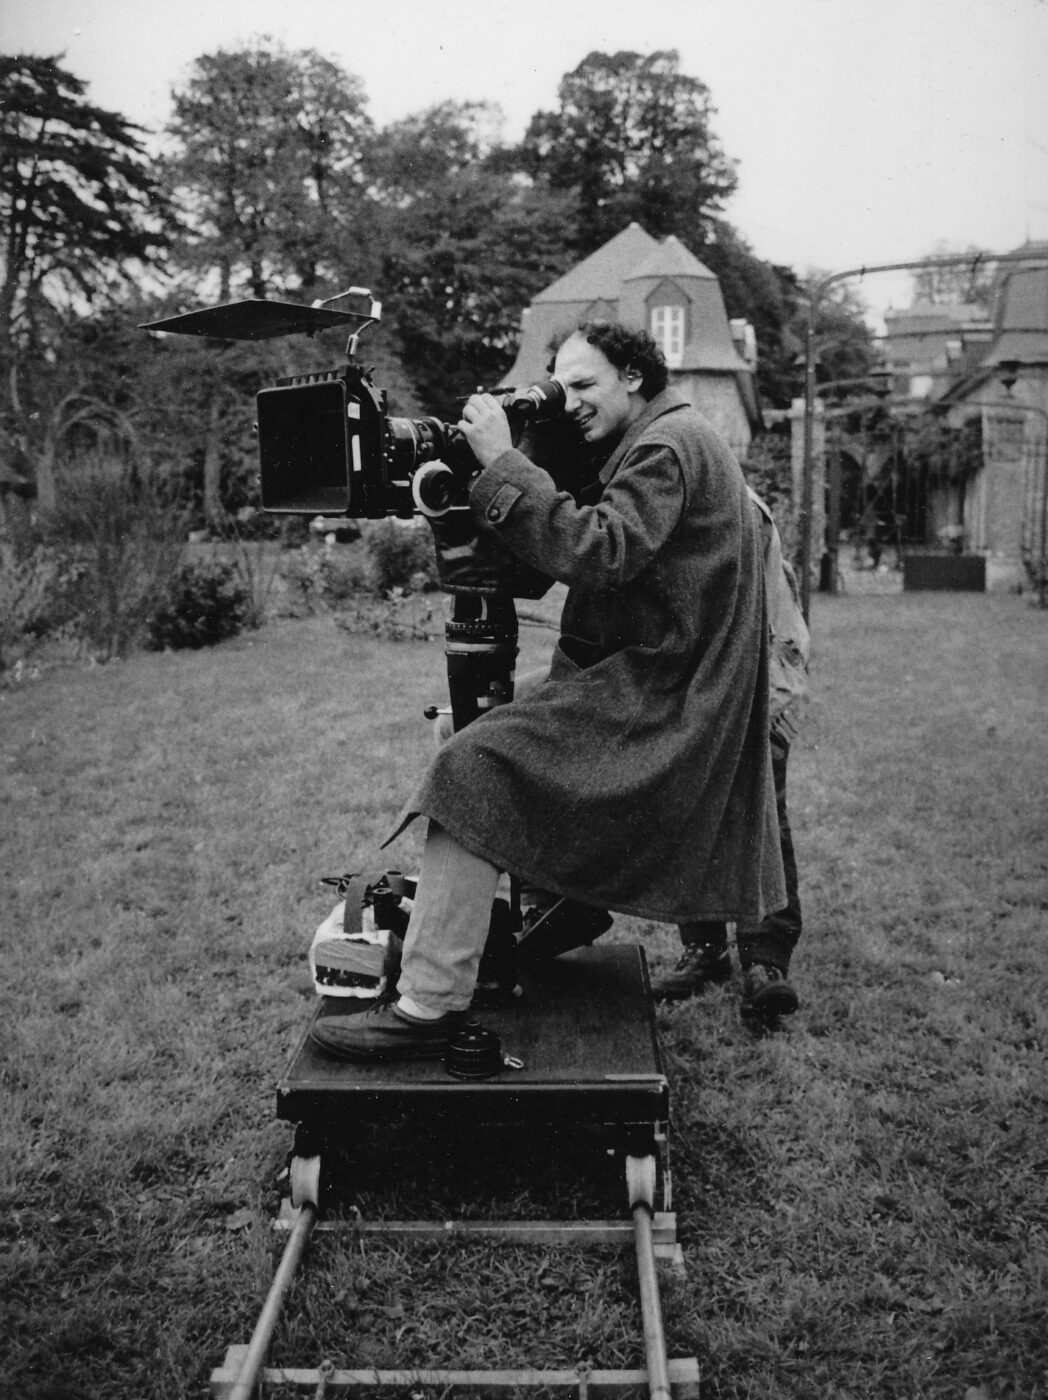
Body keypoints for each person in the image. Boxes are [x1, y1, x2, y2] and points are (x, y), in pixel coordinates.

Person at [311, 321, 786, 1061]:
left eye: (586, 384)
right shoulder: (662, 435)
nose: (574, 401)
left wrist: (503, 460)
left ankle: (429, 1002)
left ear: (634, 376)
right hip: (662, 676)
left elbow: (601, 550)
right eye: (563, 386)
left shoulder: (665, 447)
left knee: (472, 767)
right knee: (463, 724)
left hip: (670, 697)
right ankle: (552, 908)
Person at [652, 489, 810, 1018]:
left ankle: (765, 958)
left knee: (759, 815)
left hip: (762, 677)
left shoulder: (735, 510)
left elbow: (748, 619)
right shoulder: (669, 497)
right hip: (702, 680)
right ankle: (705, 947)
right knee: (690, 810)